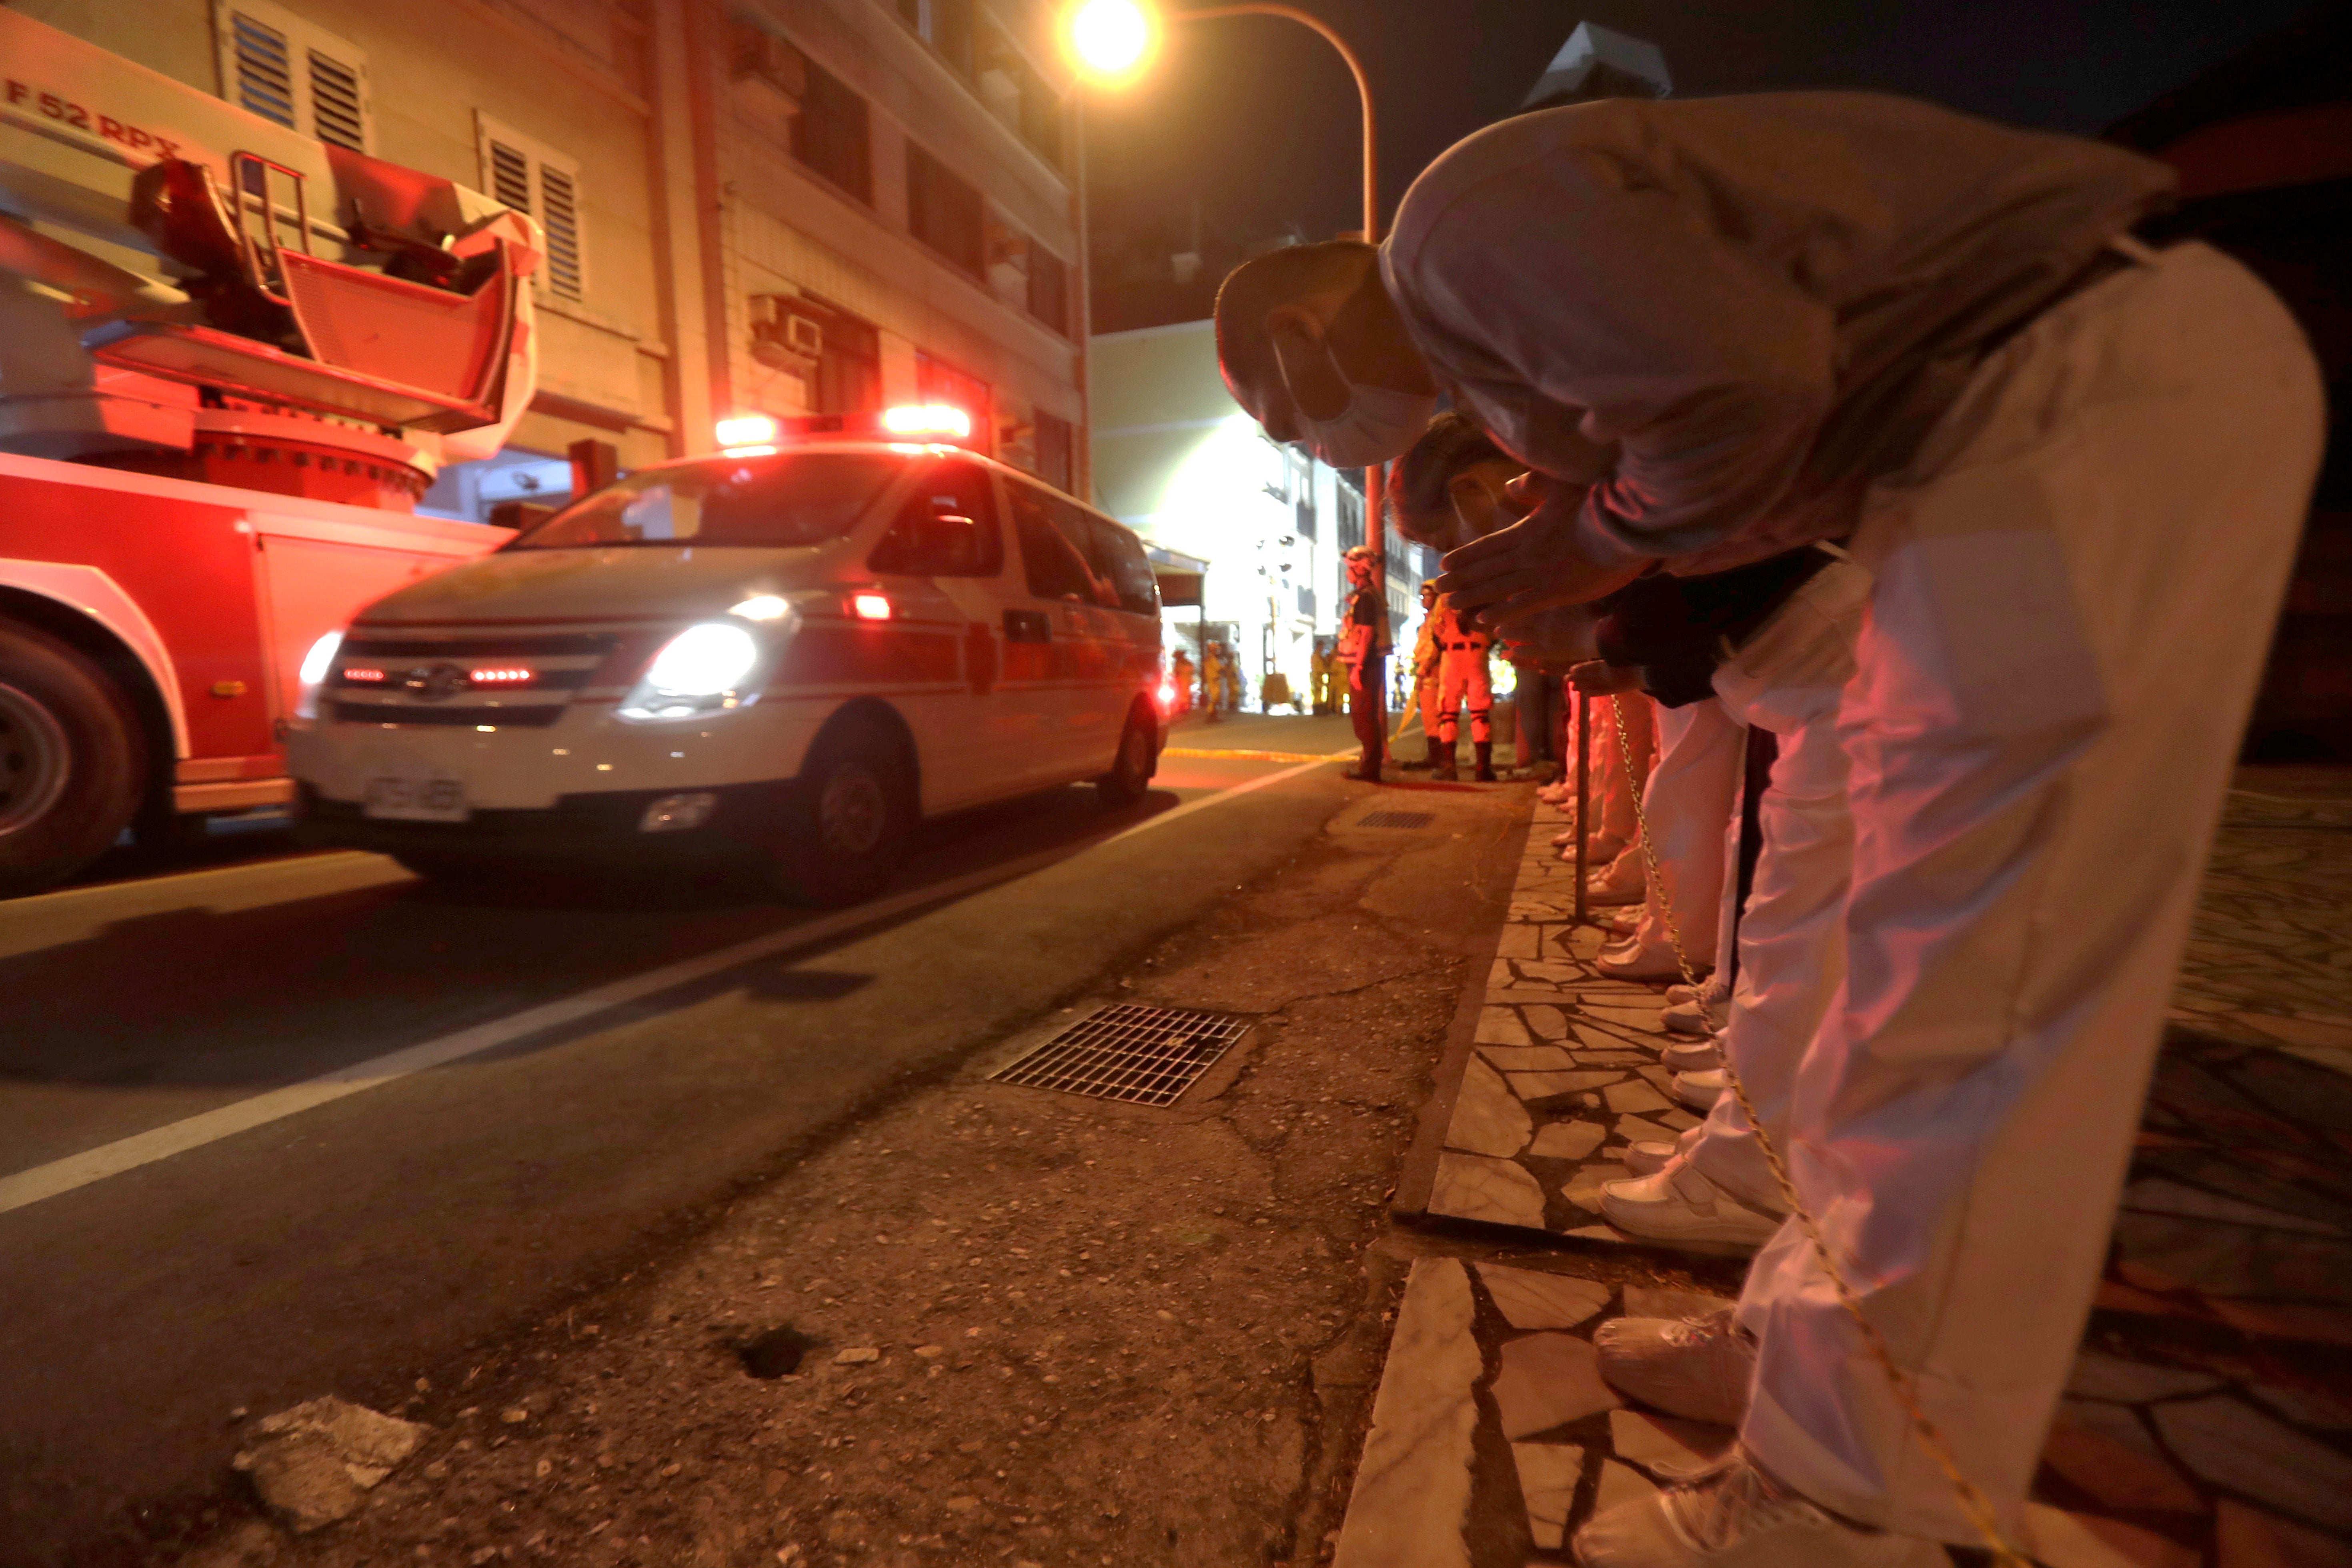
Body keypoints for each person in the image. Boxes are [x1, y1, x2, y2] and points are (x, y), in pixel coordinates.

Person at [1214, 92, 2324, 1566]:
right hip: (2002, 434)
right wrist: (1586, 529)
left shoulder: (1454, 238)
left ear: (1303, 336)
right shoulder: (1489, 311)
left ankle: (1843, 1495)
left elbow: (1741, 405)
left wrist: (1581, 542)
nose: (1330, 446)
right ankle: (1807, 1350)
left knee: (1966, 991)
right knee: (1894, 967)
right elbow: (1747, 436)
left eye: (1291, 419)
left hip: (2067, 405)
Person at [1336, 546, 1390, 782]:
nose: (1347, 572)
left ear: (1360, 569)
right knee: (1364, 715)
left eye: (1350, 568)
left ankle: (1370, 770)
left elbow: (1367, 634)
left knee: (1364, 716)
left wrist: (1358, 668)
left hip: (1366, 665)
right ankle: (1369, 765)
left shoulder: (1367, 598)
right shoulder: (1366, 596)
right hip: (1367, 663)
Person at [1169, 648, 1197, 716]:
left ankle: (1184, 708)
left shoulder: (1180, 663)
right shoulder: (1188, 663)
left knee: (1182, 694)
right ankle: (1185, 707)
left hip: (1182, 681)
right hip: (1186, 680)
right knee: (1185, 694)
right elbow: (1192, 671)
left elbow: (1177, 672)